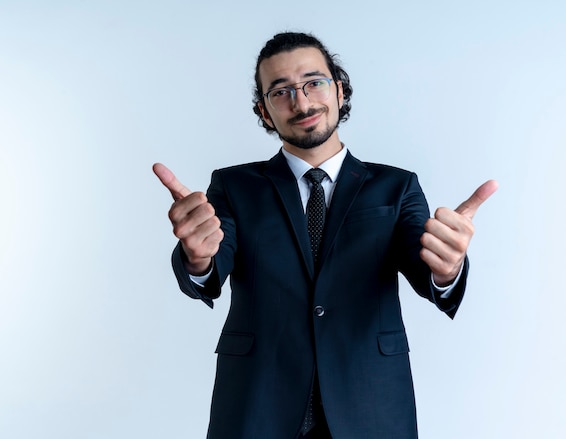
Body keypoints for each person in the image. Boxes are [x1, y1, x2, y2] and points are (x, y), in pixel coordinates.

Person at [154, 32, 497, 439]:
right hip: (259, 402)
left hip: (369, 401)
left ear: (339, 89)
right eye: (281, 91)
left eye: (314, 82)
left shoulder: (396, 187)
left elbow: (428, 273)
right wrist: (197, 259)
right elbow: (212, 263)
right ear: (264, 111)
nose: (301, 102)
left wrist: (448, 268)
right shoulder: (233, 187)